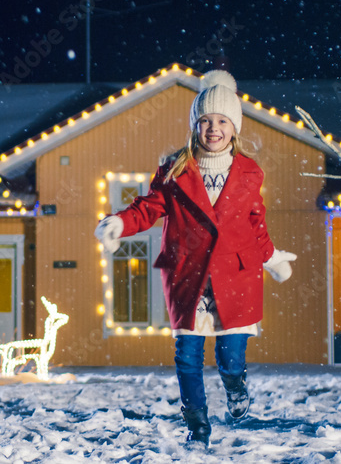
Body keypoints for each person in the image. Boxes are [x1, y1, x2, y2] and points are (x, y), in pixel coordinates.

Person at [94, 70, 296, 446]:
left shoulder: (250, 173)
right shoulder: (175, 170)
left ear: (234, 127)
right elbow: (148, 208)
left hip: (235, 277)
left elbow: (257, 225)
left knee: (230, 356)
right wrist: (119, 223)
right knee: (188, 356)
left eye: (222, 121)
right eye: (205, 121)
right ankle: (198, 424)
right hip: (190, 276)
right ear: (195, 126)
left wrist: (271, 257)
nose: (213, 128)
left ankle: (236, 386)